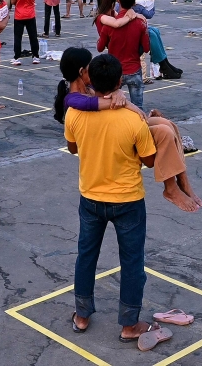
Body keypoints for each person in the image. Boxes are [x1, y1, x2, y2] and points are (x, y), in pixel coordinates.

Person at [64, 53, 169, 348]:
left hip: (91, 196)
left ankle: (82, 316)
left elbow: (72, 148)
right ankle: (130, 324)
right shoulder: (133, 118)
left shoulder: (75, 112)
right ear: (120, 82)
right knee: (132, 262)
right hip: (128, 199)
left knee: (86, 256)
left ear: (90, 80)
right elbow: (149, 160)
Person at [54, 47, 202, 212]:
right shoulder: (73, 99)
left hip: (120, 124)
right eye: (90, 68)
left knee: (166, 124)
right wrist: (125, 102)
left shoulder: (90, 89)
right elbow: (91, 106)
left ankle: (182, 180)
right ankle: (170, 187)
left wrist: (119, 93)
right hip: (112, 135)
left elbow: (106, 92)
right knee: (163, 132)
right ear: (82, 72)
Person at [96, 0, 151, 108]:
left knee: (111, 105)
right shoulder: (140, 23)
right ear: (134, 1)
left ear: (118, 0)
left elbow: (100, 48)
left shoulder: (108, 24)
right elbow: (147, 48)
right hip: (134, 69)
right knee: (138, 107)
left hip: (115, 71)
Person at [11, 0, 44, 65]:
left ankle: (16, 57)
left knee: (18, 37)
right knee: (33, 36)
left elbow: (13, 1)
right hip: (30, 14)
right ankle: (36, 56)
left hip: (19, 15)